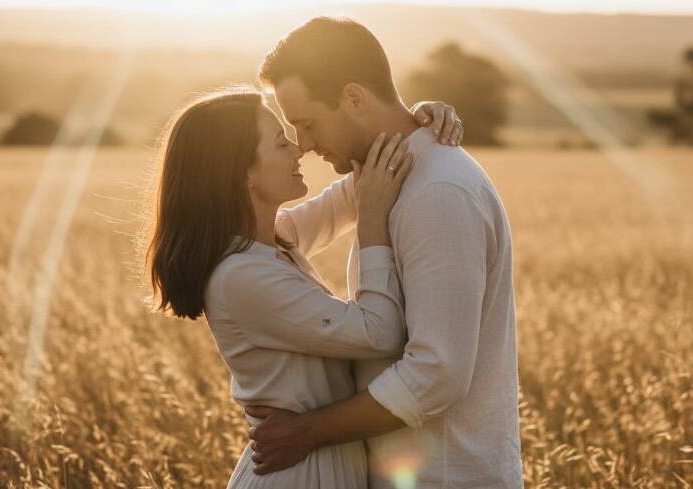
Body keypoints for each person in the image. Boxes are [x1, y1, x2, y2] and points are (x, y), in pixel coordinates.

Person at [247, 17, 524, 489]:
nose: (305, 146)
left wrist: (305, 433)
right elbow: (281, 234)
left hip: (449, 478)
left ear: (354, 98)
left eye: (308, 124)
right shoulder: (383, 174)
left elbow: (437, 373)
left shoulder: (439, 192)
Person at [144, 87, 463, 488]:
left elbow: (361, 187)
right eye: (281, 142)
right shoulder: (241, 277)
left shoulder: (270, 242)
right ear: (242, 174)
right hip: (297, 475)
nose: (299, 150)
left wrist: (409, 124)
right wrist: (372, 226)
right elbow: (380, 332)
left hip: (314, 466)